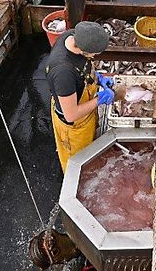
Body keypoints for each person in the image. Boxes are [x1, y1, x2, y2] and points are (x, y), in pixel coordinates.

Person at [46, 20, 115, 172]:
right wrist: (100, 99)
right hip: (73, 127)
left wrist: (97, 78)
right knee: (78, 166)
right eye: (95, 54)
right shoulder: (63, 72)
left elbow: (82, 65)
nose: (96, 56)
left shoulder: (70, 36)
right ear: (84, 49)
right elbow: (71, 114)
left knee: (91, 150)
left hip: (83, 107)